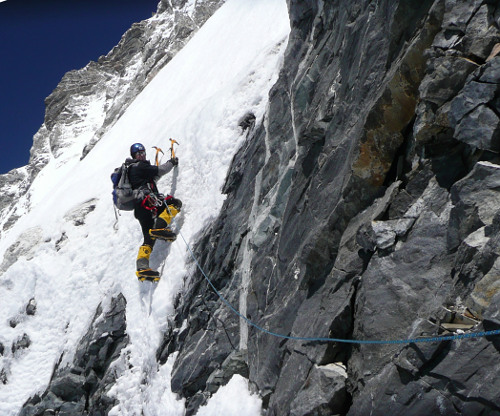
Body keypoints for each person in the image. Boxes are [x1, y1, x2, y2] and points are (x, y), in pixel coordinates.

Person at [127, 142, 182, 281]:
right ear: (134, 156)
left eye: (143, 153)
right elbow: (160, 170)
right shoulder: (140, 166)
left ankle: (142, 268)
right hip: (149, 202)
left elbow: (153, 177)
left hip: (140, 209)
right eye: (139, 153)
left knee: (148, 239)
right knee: (175, 203)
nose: (142, 155)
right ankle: (160, 228)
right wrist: (171, 162)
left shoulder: (131, 170)